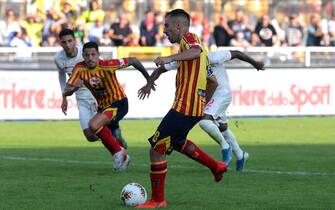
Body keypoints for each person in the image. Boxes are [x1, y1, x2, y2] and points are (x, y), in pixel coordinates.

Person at [136, 9, 227, 208]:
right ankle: (216, 166)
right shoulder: (197, 54)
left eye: (166, 26)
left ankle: (158, 200)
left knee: (156, 150)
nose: (164, 31)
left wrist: (169, 58)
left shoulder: (190, 38)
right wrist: (201, 105)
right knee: (178, 143)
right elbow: (212, 81)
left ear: (178, 26)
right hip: (191, 109)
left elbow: (195, 52)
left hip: (184, 107)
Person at [62, 41, 151, 170]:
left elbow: (133, 60)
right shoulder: (79, 68)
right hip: (103, 107)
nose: (90, 58)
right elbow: (68, 89)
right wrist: (74, 88)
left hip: (119, 103)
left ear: (98, 55)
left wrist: (148, 79)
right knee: (103, 134)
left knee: (93, 125)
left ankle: (119, 154)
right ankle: (117, 139)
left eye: (93, 54)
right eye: (87, 55)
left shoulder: (108, 65)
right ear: (83, 56)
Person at [56, 29, 127, 148]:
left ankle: (118, 153)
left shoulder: (86, 53)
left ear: (75, 41)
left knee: (97, 126)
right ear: (60, 43)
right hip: (81, 99)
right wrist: (64, 96)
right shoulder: (58, 58)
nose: (68, 45)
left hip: (96, 97)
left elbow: (104, 68)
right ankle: (115, 134)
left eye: (70, 41)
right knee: (90, 136)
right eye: (64, 42)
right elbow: (61, 75)